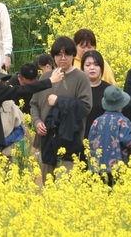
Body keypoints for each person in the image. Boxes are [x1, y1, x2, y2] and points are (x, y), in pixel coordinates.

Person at [35, 36, 93, 176]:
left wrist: (58, 101)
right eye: (58, 54)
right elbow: (33, 104)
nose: (63, 58)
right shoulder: (45, 78)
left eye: (67, 54)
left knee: (65, 185)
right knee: (47, 185)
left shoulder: (81, 78)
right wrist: (36, 121)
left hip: (69, 143)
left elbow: (85, 107)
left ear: (73, 55)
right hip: (46, 142)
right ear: (53, 57)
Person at [88, 85, 131, 181]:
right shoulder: (123, 121)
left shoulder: (97, 121)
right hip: (117, 168)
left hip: (97, 167)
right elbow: (129, 142)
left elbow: (90, 141)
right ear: (122, 105)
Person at [82, 51, 109, 131]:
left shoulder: (108, 90)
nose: (92, 68)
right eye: (88, 65)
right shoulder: (77, 88)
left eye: (96, 65)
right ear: (82, 68)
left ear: (101, 68)